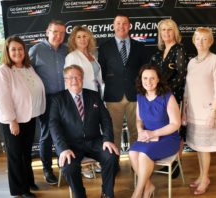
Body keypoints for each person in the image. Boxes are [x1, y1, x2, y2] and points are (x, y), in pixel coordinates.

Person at [49, 65, 119, 198]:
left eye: (77, 77)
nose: (74, 80)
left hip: (94, 141)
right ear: (65, 80)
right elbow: (54, 126)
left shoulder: (93, 95)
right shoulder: (57, 100)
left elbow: (106, 120)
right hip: (71, 145)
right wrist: (63, 148)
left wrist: (108, 139)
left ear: (82, 78)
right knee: (69, 167)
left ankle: (107, 193)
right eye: (70, 77)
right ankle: (80, 195)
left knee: (111, 156)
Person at [0, 36, 46, 198]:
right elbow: (4, 99)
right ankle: (20, 190)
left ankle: (28, 181)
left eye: (20, 49)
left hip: (29, 118)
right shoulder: (3, 71)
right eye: (13, 49)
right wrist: (12, 121)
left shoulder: (28, 67)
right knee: (16, 156)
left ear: (24, 51)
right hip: (13, 121)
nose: (17, 52)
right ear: (7, 52)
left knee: (26, 153)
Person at [182, 27, 216, 195]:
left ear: (211, 42)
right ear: (193, 40)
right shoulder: (192, 62)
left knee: (205, 148)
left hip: (208, 113)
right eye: (198, 38)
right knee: (199, 147)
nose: (200, 42)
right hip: (193, 112)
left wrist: (213, 113)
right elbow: (187, 88)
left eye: (205, 39)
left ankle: (205, 178)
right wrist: (184, 110)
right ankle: (201, 176)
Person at [98, 13, 149, 153]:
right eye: (118, 23)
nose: (121, 26)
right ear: (113, 26)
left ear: (129, 26)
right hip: (113, 96)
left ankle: (136, 163)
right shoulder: (104, 47)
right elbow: (101, 72)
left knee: (136, 131)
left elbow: (145, 71)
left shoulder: (140, 47)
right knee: (114, 132)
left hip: (136, 96)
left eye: (125, 23)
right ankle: (114, 162)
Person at [129, 64, 181, 198]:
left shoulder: (167, 97)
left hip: (168, 138)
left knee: (144, 154)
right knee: (133, 153)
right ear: (141, 80)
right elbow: (139, 120)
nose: (148, 82)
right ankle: (148, 186)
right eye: (145, 78)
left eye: (152, 78)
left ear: (158, 79)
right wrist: (141, 130)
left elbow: (176, 124)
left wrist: (153, 133)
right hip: (148, 137)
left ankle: (137, 193)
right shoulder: (140, 96)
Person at [29, 19, 67, 185]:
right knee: (47, 135)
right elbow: (26, 75)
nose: (58, 36)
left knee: (66, 133)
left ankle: (66, 166)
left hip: (65, 98)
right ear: (47, 32)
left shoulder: (67, 50)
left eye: (61, 33)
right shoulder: (36, 50)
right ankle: (47, 169)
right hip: (47, 99)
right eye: (55, 32)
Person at [150, 18, 188, 178]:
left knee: (176, 129)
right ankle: (166, 159)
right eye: (163, 30)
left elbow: (181, 76)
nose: (166, 33)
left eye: (169, 29)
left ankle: (176, 163)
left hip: (173, 96)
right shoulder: (158, 53)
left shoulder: (179, 49)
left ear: (175, 32)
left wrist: (164, 91)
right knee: (164, 128)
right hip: (159, 98)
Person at [65, 25, 104, 178]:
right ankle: (83, 166)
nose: (82, 39)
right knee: (82, 130)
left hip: (95, 96)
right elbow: (69, 80)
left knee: (93, 129)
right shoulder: (72, 57)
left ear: (90, 38)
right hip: (81, 98)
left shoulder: (92, 55)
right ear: (74, 40)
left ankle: (93, 161)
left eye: (85, 36)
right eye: (79, 37)